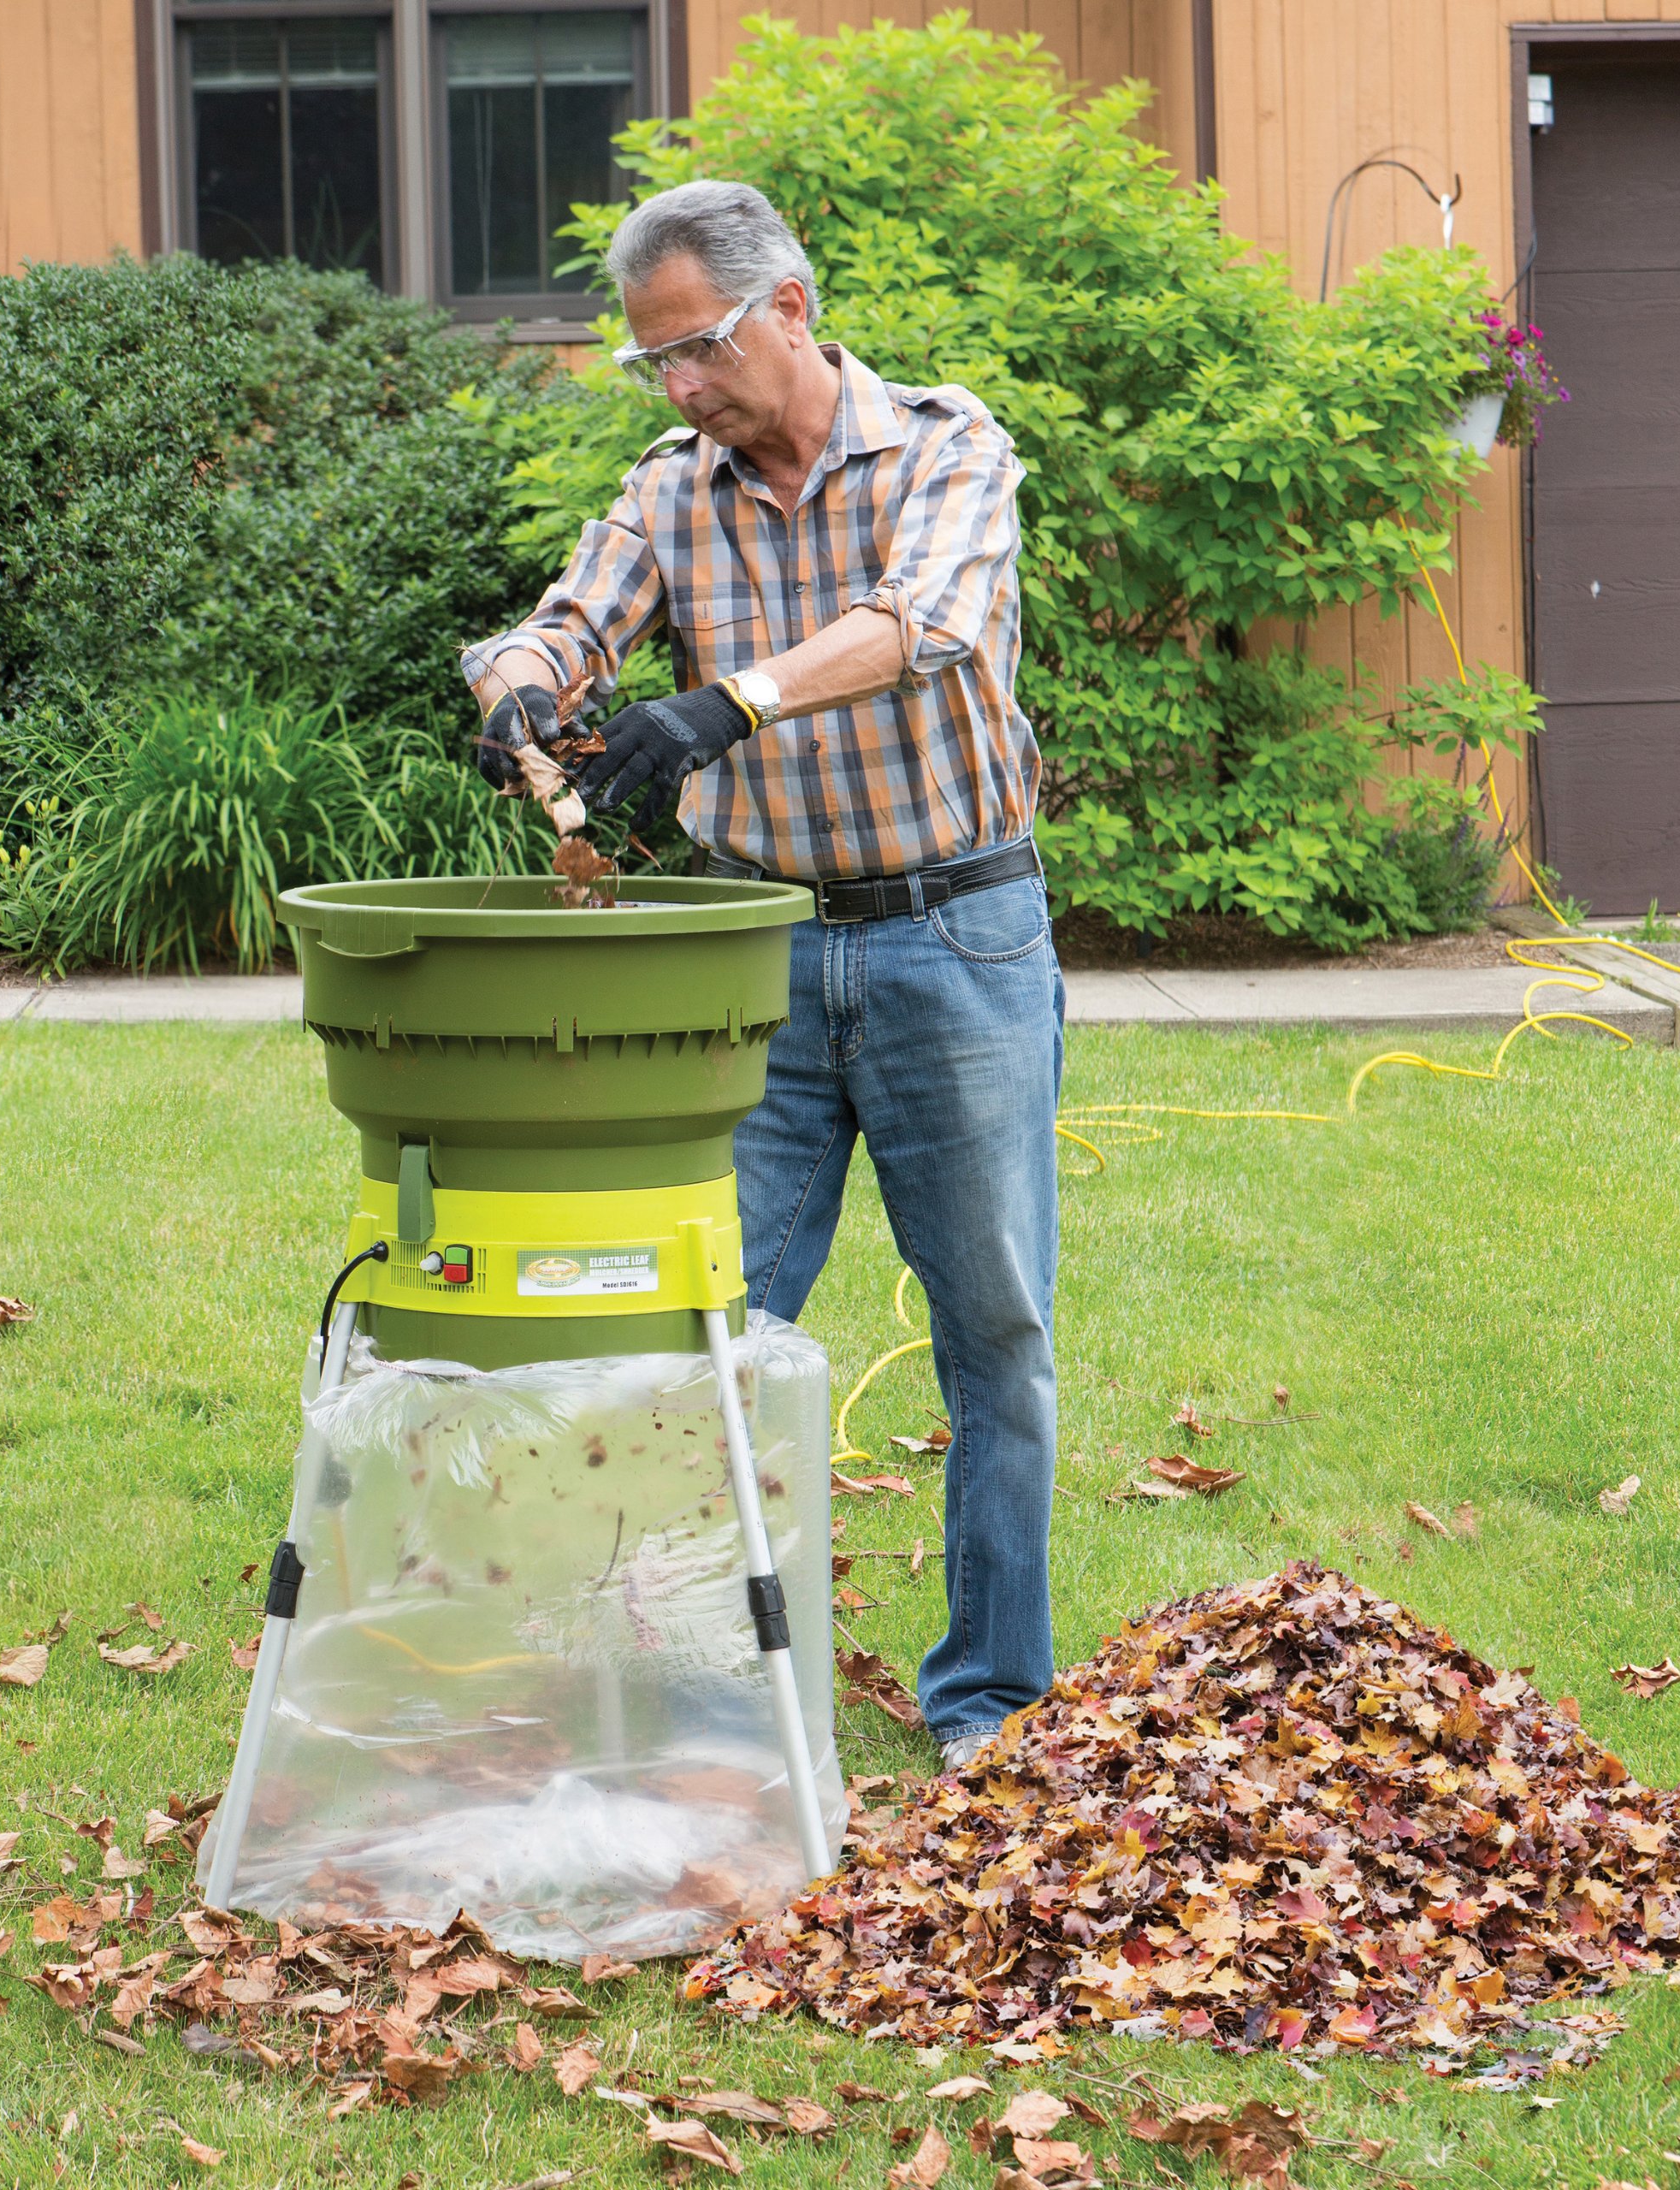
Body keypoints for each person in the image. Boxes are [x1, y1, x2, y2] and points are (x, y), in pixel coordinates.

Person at [462, 179, 1062, 1772]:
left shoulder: (946, 446)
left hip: (959, 933)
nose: (681, 388)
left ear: (787, 306)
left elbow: (923, 621)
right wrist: (521, 689)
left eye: (701, 350)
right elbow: (562, 622)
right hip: (756, 954)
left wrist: (730, 703)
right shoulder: (674, 489)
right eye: (653, 364)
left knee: (992, 1332)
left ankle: (991, 1708)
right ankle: (690, 1694)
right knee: (707, 1322)